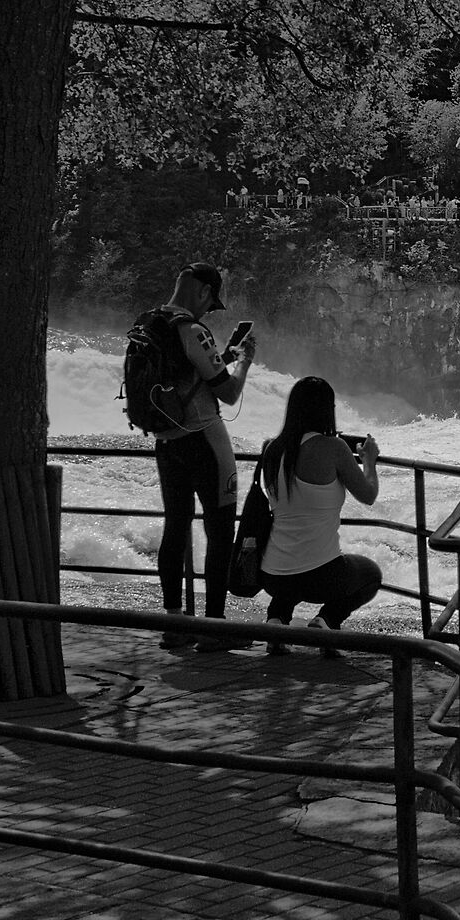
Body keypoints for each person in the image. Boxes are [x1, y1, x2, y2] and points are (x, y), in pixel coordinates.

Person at [146, 262, 257, 651]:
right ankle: (214, 627)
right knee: (220, 528)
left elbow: (188, 378)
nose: (209, 312)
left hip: (167, 441)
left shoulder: (151, 326)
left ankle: (174, 623)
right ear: (205, 292)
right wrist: (243, 364)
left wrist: (222, 357)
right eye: (211, 304)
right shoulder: (192, 329)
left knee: (175, 527)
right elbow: (226, 394)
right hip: (205, 441)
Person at [255, 377, 384, 654]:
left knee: (291, 567)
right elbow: (368, 495)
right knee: (371, 574)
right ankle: (326, 622)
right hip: (321, 578)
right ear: (327, 409)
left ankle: (276, 621)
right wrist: (369, 462)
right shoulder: (334, 448)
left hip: (271, 575)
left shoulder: (271, 449)